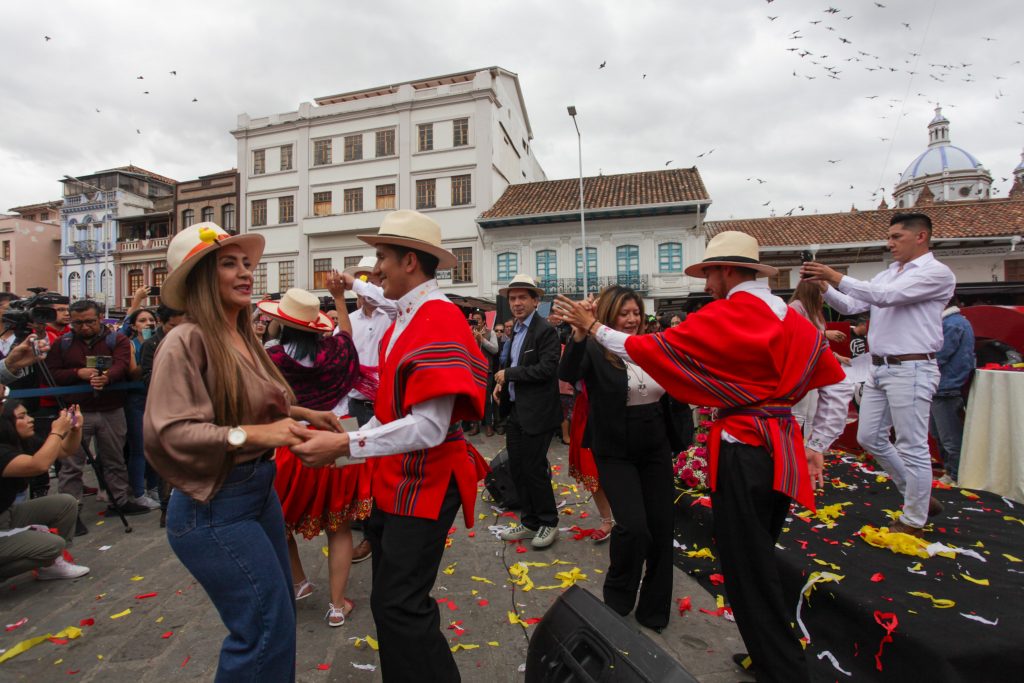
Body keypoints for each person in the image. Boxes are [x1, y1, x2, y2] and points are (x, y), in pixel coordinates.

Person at [555, 230, 844, 683]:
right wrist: (816, 445)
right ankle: (768, 654)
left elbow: (650, 349)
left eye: (709, 273)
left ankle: (783, 669)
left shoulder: (732, 313)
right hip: (782, 446)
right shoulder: (792, 318)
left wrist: (593, 327)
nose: (708, 284)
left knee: (746, 566)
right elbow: (836, 380)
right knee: (758, 557)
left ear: (728, 271)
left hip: (744, 447)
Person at [287, 210, 489, 682]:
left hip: (427, 481)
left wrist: (345, 445)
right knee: (392, 602)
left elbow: (428, 427)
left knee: (400, 605)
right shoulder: (412, 313)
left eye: (382, 257)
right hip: (404, 480)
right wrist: (347, 443)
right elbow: (393, 411)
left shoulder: (436, 318)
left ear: (410, 263)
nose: (374, 270)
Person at [144, 222, 339, 682]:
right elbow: (171, 432)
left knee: (279, 619)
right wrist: (259, 435)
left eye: (246, 263)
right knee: (262, 627)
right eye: (228, 264)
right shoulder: (185, 340)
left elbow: (244, 401)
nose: (245, 273)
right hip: (213, 506)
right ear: (199, 279)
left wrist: (304, 411)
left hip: (257, 493)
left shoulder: (242, 336)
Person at [803, 212, 955, 537]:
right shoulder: (888, 274)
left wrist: (835, 274)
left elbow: (886, 298)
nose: (890, 243)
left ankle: (914, 518)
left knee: (912, 444)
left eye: (896, 237)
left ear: (921, 237)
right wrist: (826, 286)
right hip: (879, 365)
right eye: (890, 237)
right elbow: (849, 306)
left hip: (912, 366)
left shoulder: (936, 273)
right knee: (868, 436)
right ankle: (918, 496)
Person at [559, 286, 681, 630]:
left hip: (655, 444)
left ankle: (654, 609)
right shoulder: (596, 349)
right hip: (615, 448)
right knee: (634, 527)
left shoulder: (651, 346)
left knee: (661, 527)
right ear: (610, 315)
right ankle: (617, 597)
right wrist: (581, 332)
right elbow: (567, 373)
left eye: (636, 313)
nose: (631, 319)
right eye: (624, 313)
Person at [260, 286, 365, 626]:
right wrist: (338, 299)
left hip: (296, 443)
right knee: (340, 527)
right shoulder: (336, 351)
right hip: (338, 440)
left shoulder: (272, 356)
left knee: (281, 521)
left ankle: (298, 581)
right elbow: (347, 336)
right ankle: (336, 606)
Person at [46, 300, 148, 529]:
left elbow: (122, 365)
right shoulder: (63, 343)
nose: (84, 327)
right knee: (72, 464)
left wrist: (108, 377)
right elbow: (52, 374)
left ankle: (119, 500)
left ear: (100, 318)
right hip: (76, 410)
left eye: (89, 322)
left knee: (114, 458)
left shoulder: (116, 339)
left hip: (111, 408)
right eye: (78, 323)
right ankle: (70, 512)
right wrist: (77, 373)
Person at [494, 274, 563, 550]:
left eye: (523, 297)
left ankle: (549, 520)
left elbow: (547, 369)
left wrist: (508, 373)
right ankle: (531, 520)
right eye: (513, 298)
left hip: (538, 413)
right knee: (518, 468)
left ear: (536, 301)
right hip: (517, 411)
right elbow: (515, 365)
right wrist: (502, 385)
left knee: (534, 468)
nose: (517, 302)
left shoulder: (545, 330)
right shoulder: (516, 330)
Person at [0, 400, 90, 581]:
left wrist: (74, 429)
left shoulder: (22, 441)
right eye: (22, 417)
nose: (30, 419)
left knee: (65, 503)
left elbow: (64, 450)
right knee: (52, 545)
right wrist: (57, 431)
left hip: (6, 515)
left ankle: (51, 566)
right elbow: (39, 465)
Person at [931, 297, 975, 486]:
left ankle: (956, 475)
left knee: (949, 436)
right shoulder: (953, 322)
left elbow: (938, 356)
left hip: (946, 387)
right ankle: (949, 470)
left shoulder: (951, 324)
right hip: (941, 386)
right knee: (940, 434)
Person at [119, 308, 160, 510]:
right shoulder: (130, 344)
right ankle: (138, 492)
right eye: (142, 320)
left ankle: (154, 487)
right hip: (136, 400)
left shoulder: (159, 342)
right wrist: (143, 351)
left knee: (155, 447)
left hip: (156, 400)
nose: (148, 323)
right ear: (134, 326)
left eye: (151, 320)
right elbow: (136, 374)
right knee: (139, 448)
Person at [468, 310, 499, 436]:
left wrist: (482, 340)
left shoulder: (490, 333)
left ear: (484, 321)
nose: (476, 322)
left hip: (486, 370)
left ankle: (488, 425)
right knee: (474, 399)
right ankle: (475, 425)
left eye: (478, 319)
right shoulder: (469, 332)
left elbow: (495, 349)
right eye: (474, 319)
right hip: (472, 371)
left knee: (486, 399)